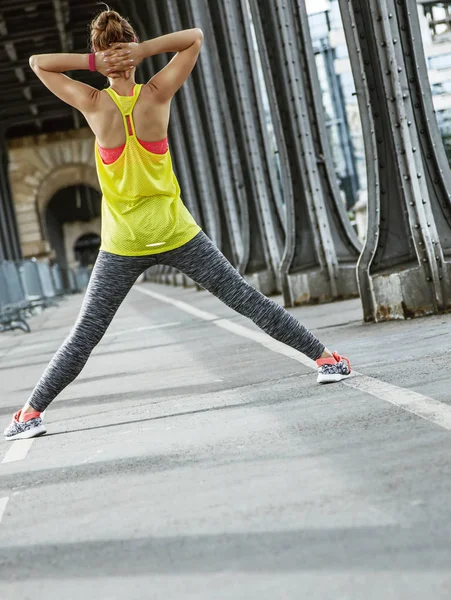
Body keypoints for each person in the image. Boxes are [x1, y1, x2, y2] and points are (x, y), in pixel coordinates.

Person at [4, 9, 351, 441]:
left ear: (100, 54)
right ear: (132, 52)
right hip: (177, 232)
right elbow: (195, 37)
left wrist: (95, 64)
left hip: (122, 244)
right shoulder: (156, 94)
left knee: (85, 335)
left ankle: (29, 414)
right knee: (246, 299)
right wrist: (142, 52)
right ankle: (327, 360)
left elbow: (38, 63)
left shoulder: (92, 104)